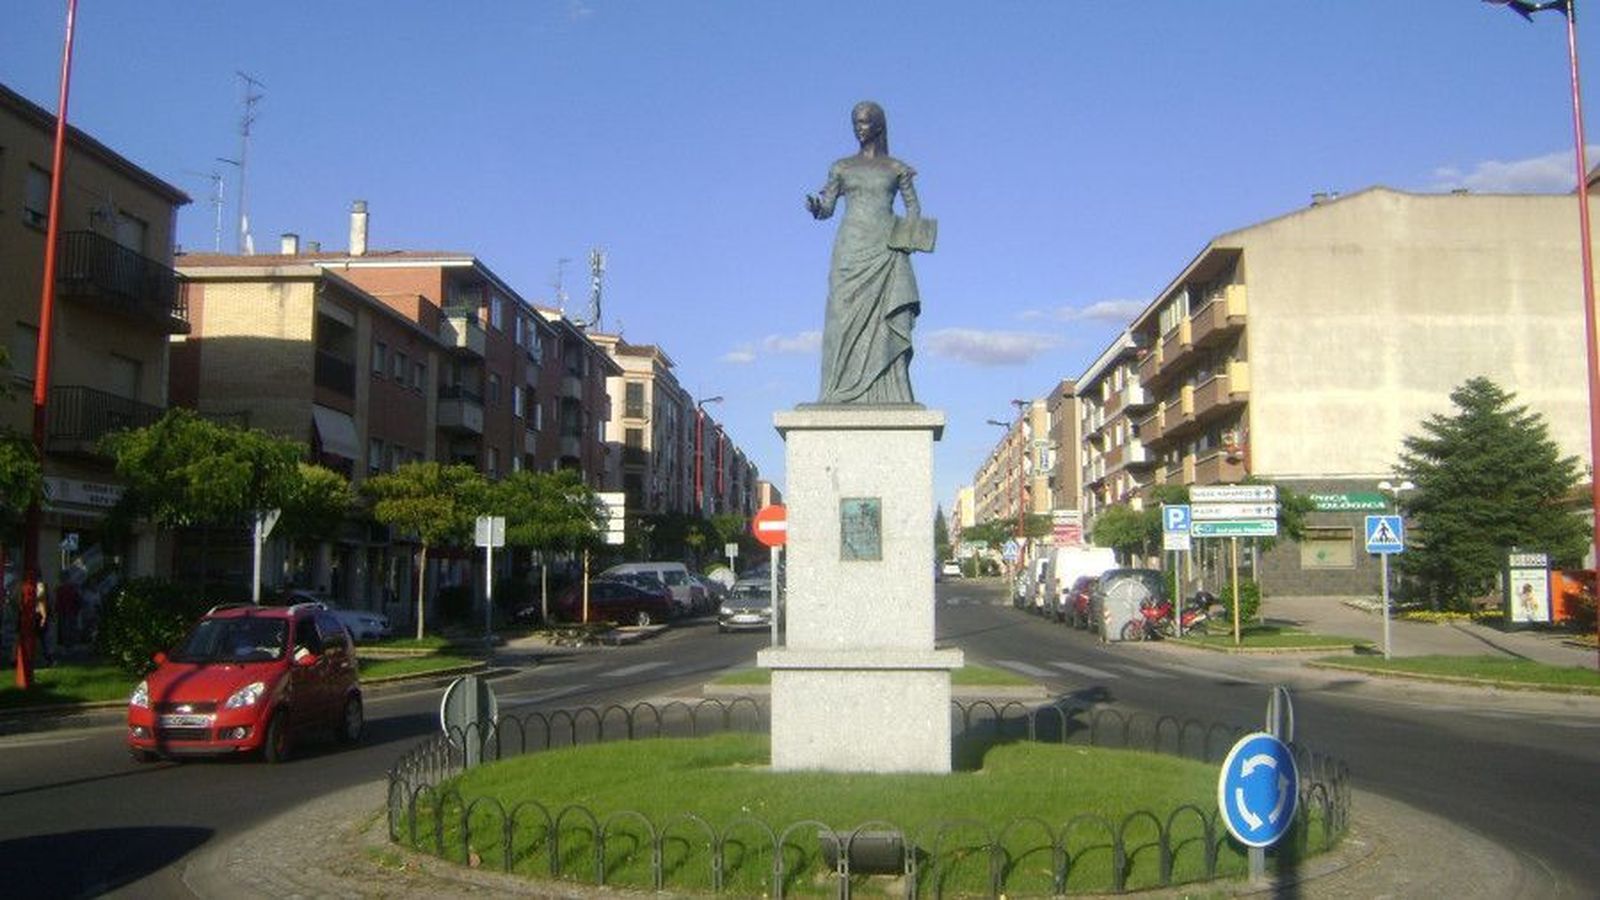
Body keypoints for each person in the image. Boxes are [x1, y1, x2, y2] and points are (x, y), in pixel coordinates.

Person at [806, 101, 933, 404]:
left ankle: (892, 391)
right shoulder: (842, 167)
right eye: (855, 123)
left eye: (863, 122)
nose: (858, 128)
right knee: (841, 316)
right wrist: (816, 208)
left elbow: (913, 207)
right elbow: (827, 208)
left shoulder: (896, 168)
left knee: (888, 318)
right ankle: (836, 392)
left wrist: (907, 237)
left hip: (886, 248)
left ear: (877, 125)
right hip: (850, 249)